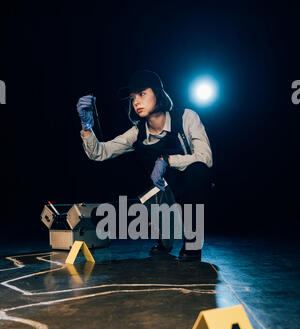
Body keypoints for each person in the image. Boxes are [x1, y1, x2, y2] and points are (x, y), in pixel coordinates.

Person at [76, 70, 213, 260]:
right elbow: (100, 153)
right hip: (160, 201)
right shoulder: (136, 132)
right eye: (132, 98)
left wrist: (168, 160)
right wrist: (86, 128)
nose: (136, 102)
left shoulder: (186, 117)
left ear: (158, 93)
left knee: (198, 171)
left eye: (142, 94)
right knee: (101, 216)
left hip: (189, 196)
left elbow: (205, 158)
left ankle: (193, 243)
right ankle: (163, 233)